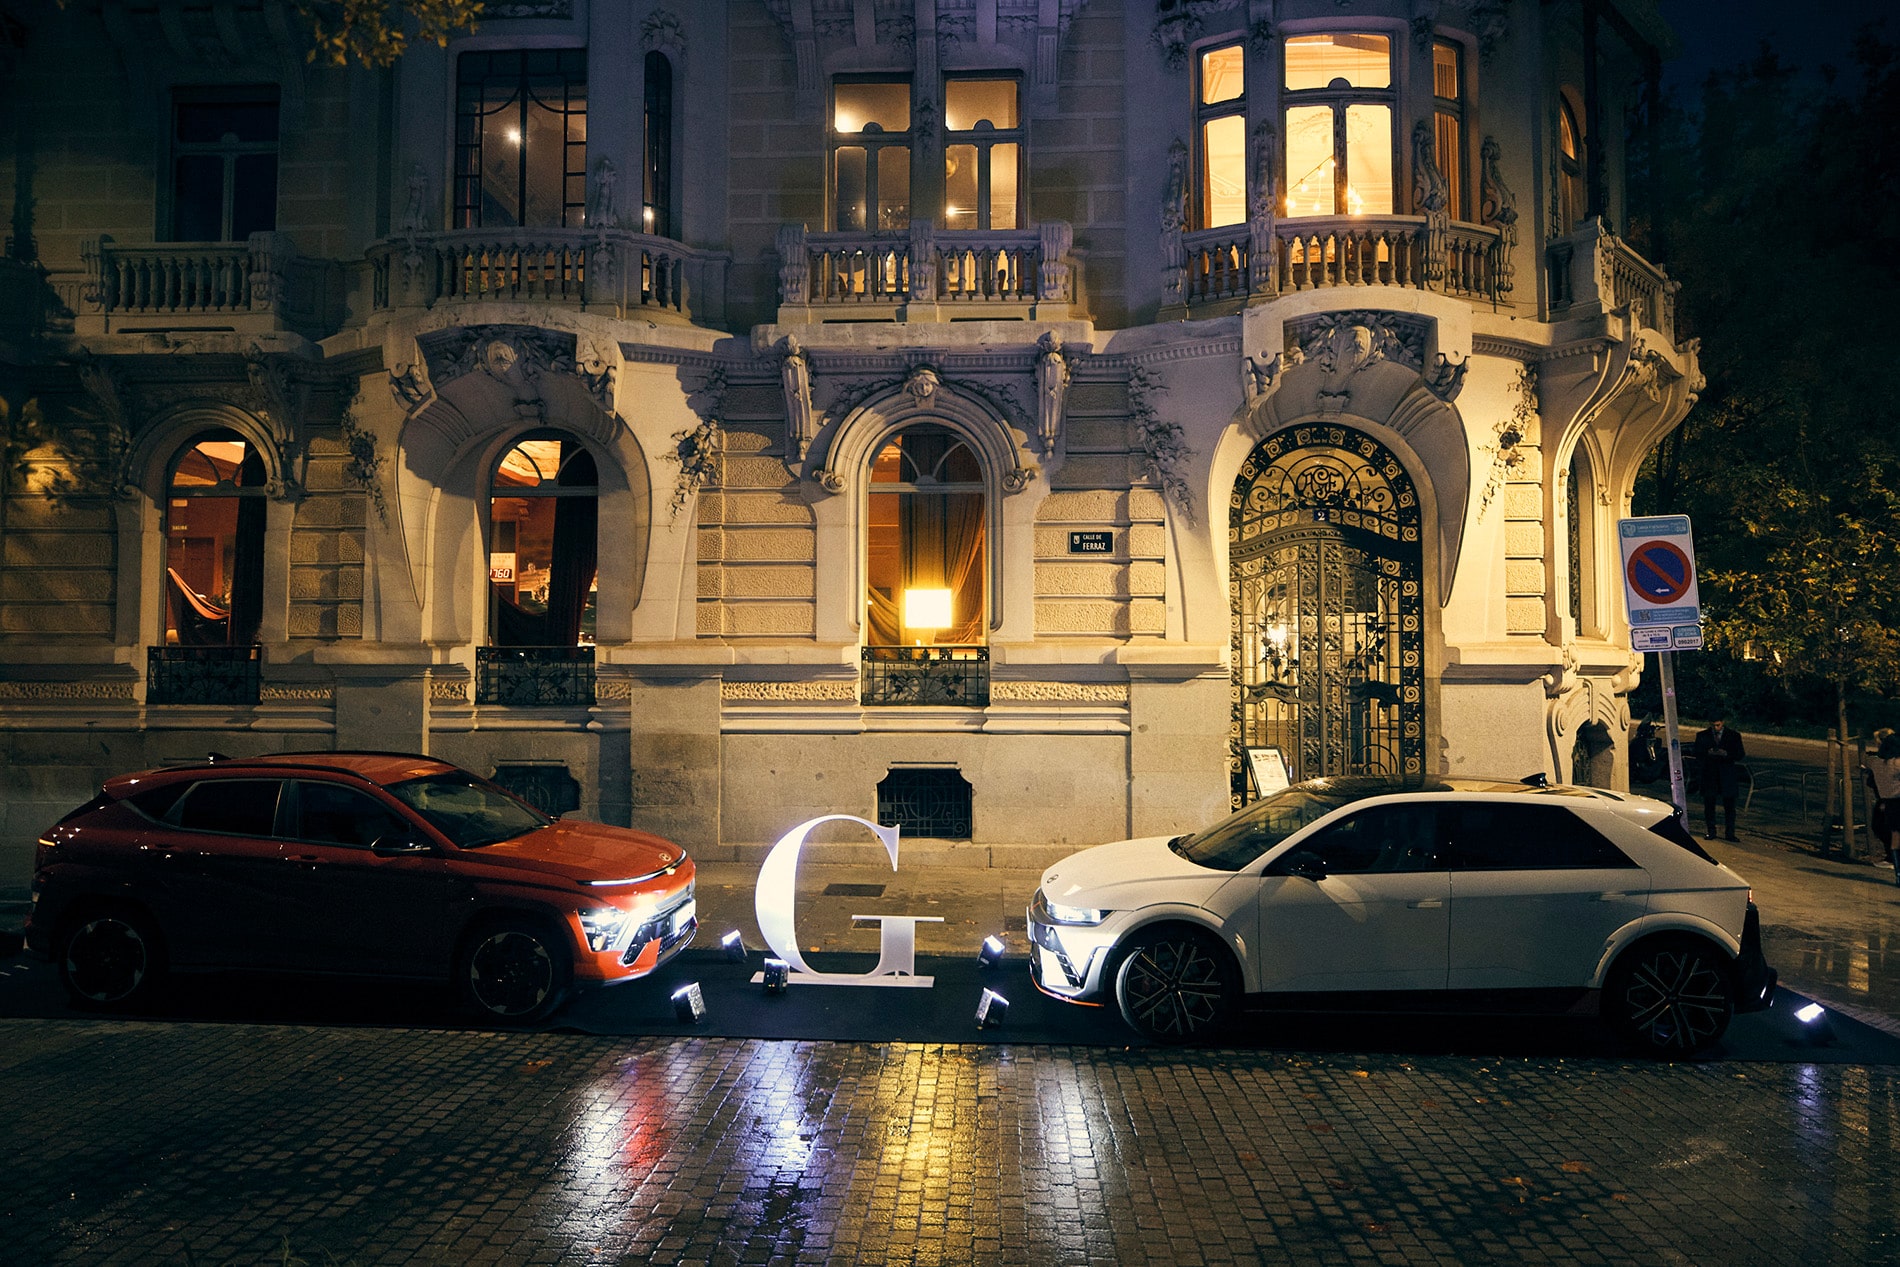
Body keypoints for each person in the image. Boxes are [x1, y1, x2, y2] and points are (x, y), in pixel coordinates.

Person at [1692, 717, 1746, 841]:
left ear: (1722, 723)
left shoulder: (1733, 736)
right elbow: (1696, 752)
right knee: (1709, 804)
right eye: (1713, 726)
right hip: (1710, 774)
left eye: (1718, 725)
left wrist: (1726, 754)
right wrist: (1707, 752)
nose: (1716, 728)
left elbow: (1740, 754)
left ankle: (1730, 833)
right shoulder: (1702, 735)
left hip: (1727, 773)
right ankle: (1711, 831)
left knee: (1730, 806)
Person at [1864, 728, 1900, 884]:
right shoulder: (1898, 763)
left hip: (1890, 804)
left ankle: (1899, 873)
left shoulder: (1876, 764)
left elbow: (1867, 761)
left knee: (1895, 837)